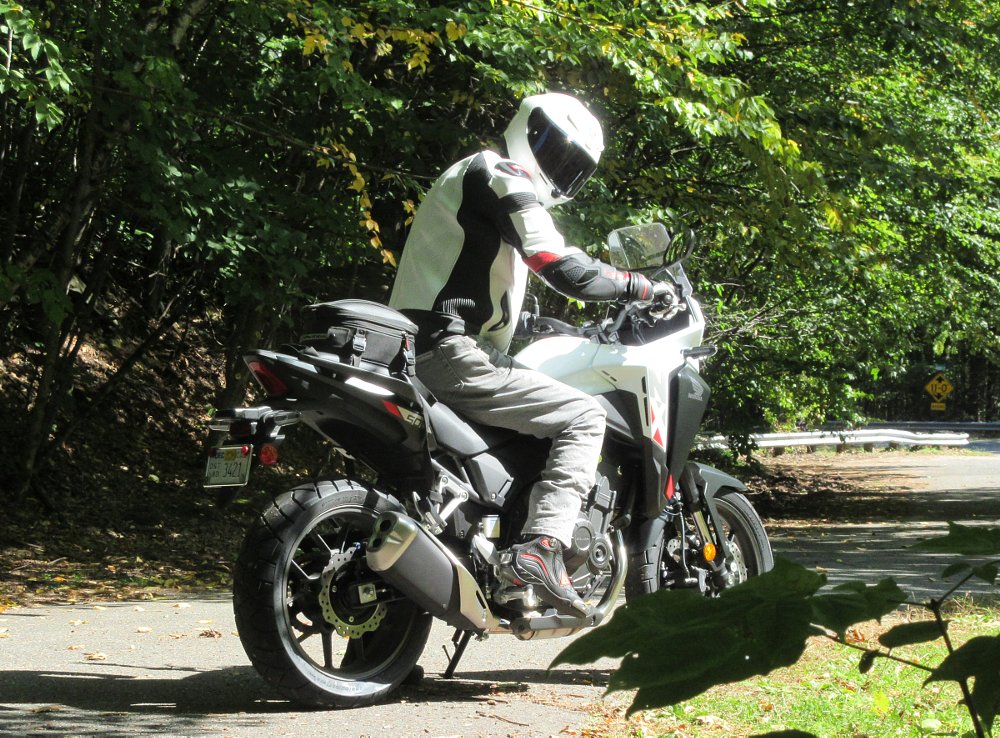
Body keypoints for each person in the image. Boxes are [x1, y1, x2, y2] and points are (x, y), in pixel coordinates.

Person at [389, 92, 665, 616]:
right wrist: (640, 287)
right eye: (555, 151)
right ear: (527, 129)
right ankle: (542, 548)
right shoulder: (499, 171)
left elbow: (475, 285)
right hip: (450, 350)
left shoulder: (473, 184)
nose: (558, 169)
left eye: (572, 166)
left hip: (423, 347)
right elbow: (561, 265)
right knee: (584, 416)